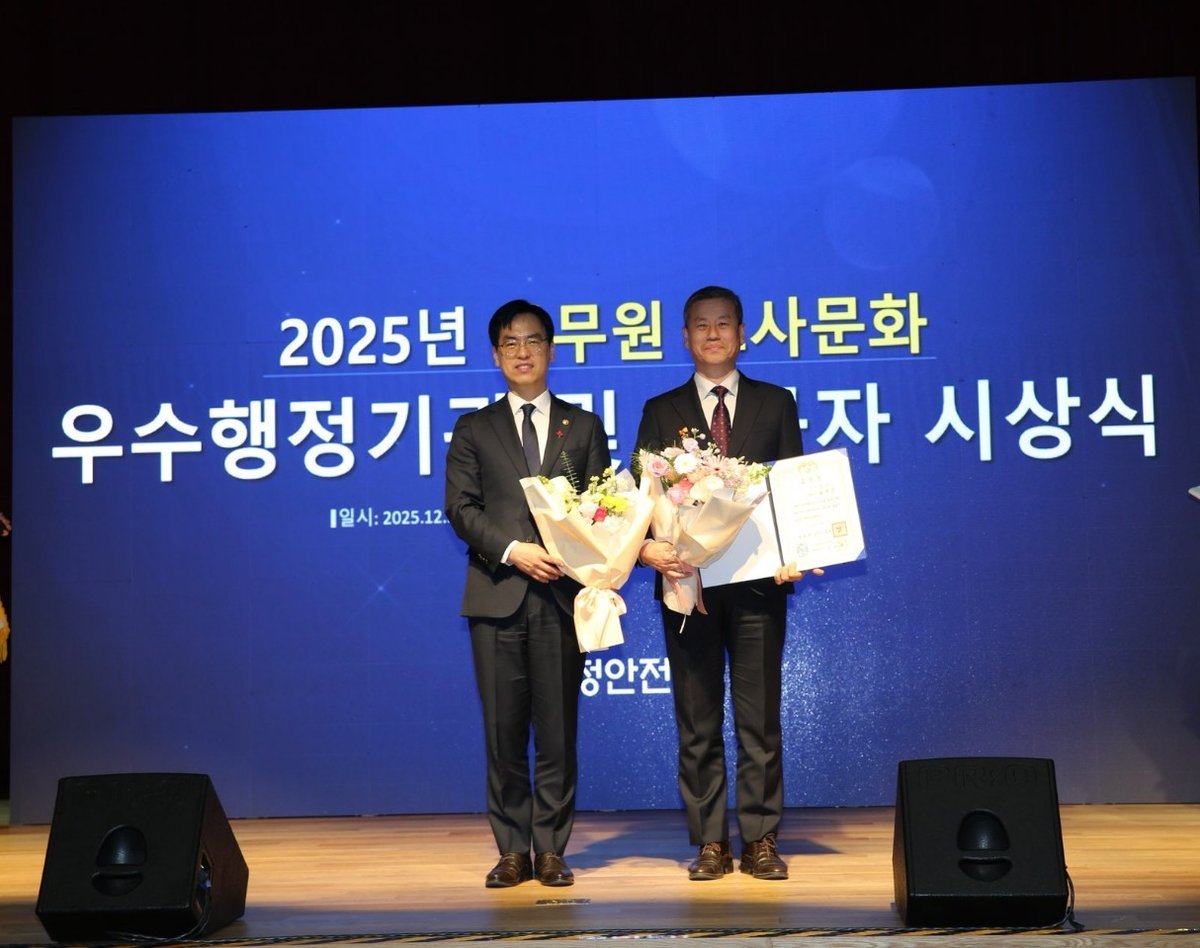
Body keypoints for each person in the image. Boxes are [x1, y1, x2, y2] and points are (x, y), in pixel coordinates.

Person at [635, 285, 818, 882]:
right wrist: (647, 548)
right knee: (698, 720)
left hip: (760, 585)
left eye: (723, 324)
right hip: (688, 586)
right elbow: (643, 499)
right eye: (701, 325)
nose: (712, 335)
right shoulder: (660, 410)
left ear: (742, 334)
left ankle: (761, 838)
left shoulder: (775, 403)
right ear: (684, 337)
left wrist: (798, 551)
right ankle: (711, 841)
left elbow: (793, 488)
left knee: (759, 719)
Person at [445, 299, 611, 889]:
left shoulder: (582, 426)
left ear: (551, 350)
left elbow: (603, 508)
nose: (522, 352)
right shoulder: (474, 427)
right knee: (504, 733)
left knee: (559, 732)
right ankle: (513, 849)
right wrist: (514, 550)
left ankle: (552, 850)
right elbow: (461, 508)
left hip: (562, 600)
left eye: (533, 341)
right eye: (510, 343)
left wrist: (580, 550)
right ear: (496, 355)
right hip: (496, 596)